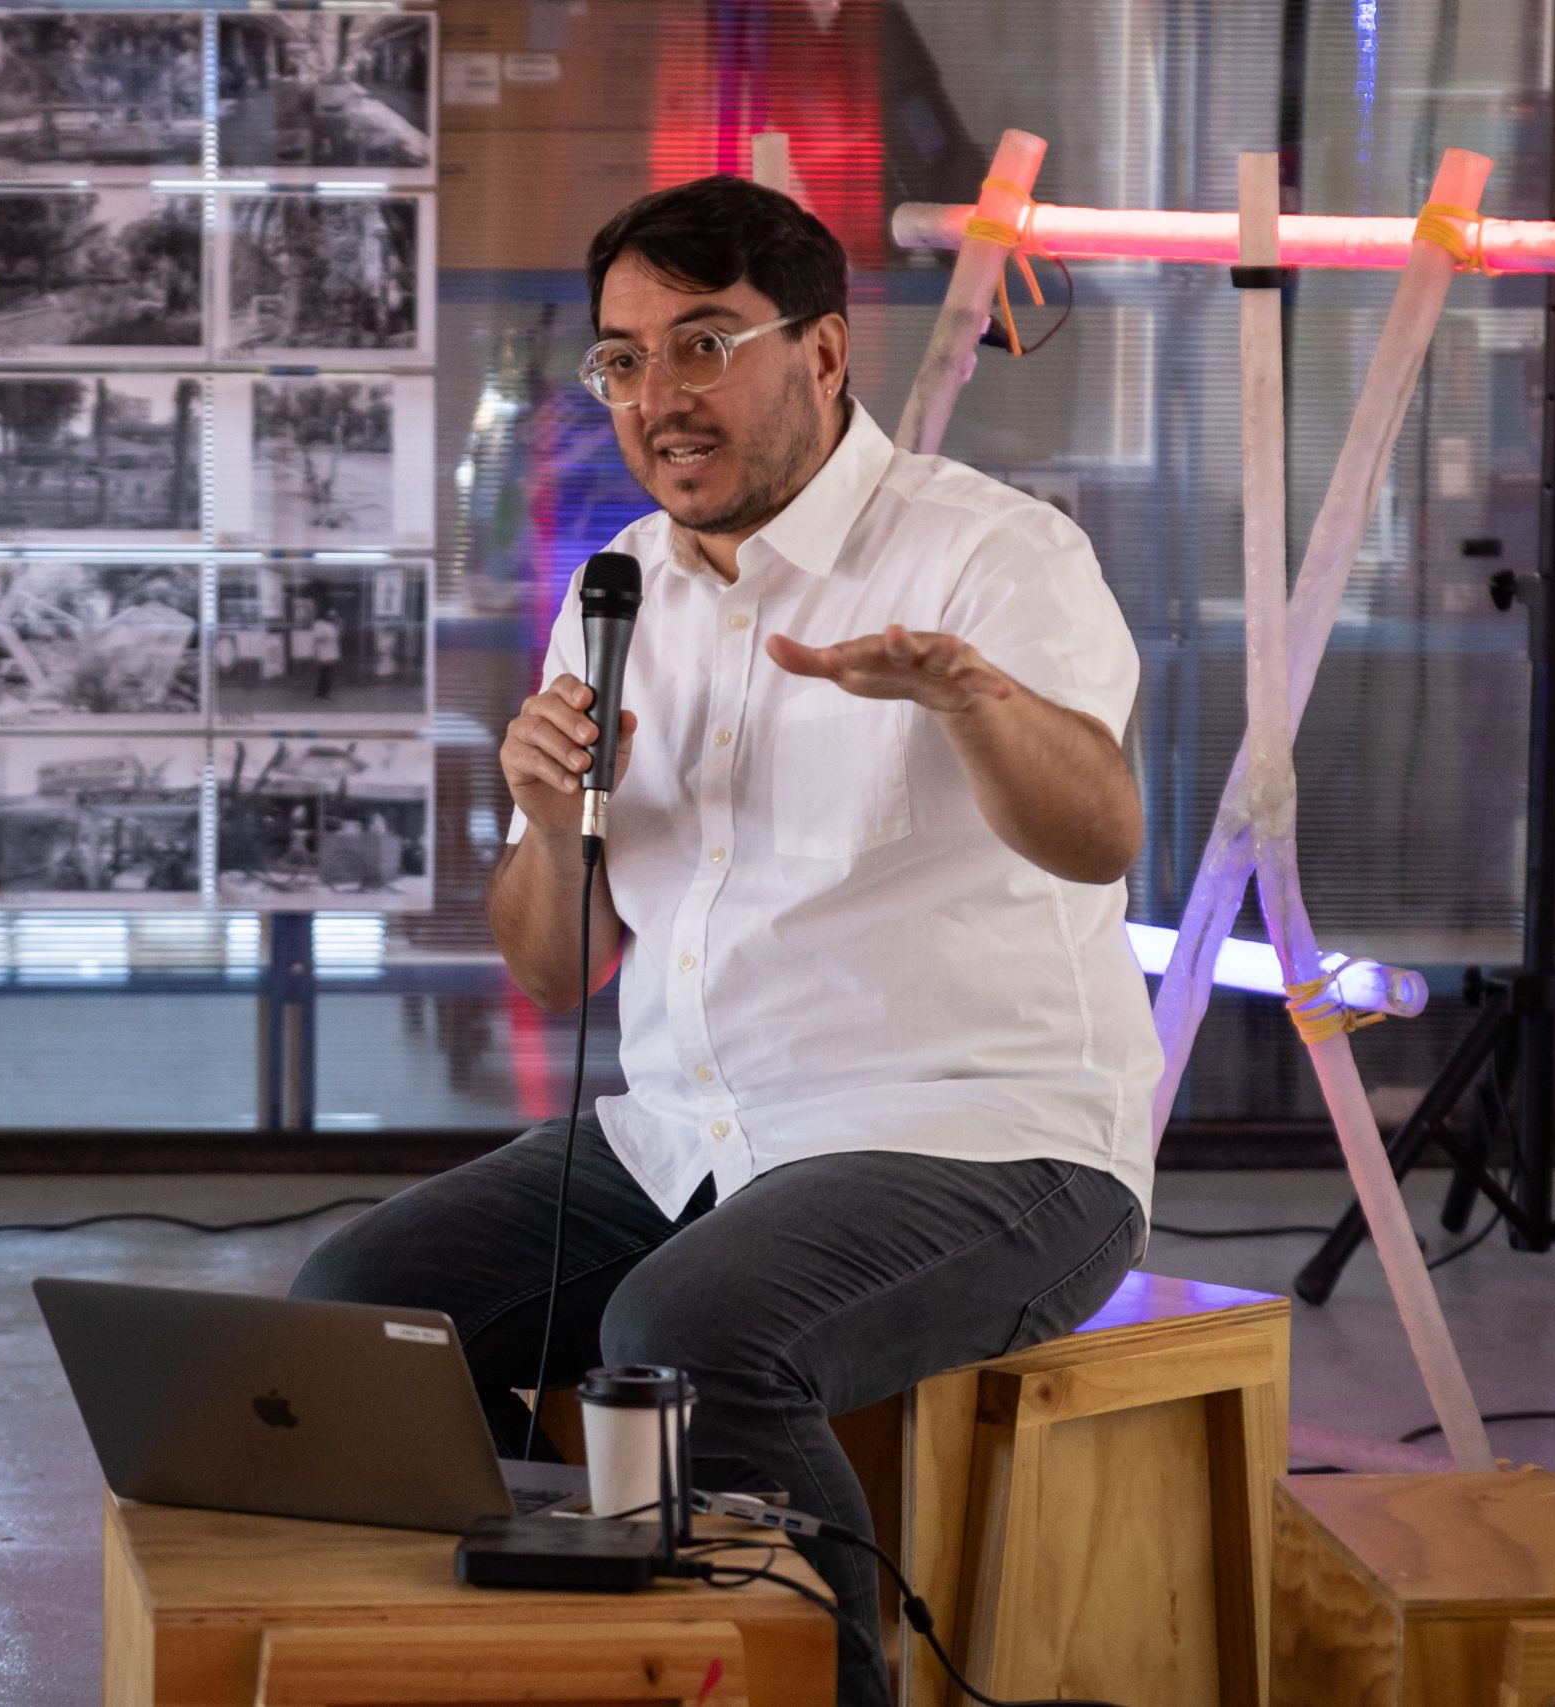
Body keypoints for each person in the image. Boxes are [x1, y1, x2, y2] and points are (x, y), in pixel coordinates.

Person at [291, 176, 1160, 1707]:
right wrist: (551, 823)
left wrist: (975, 702)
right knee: (363, 1306)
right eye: (622, 360)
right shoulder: (617, 591)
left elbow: (1099, 837)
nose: (657, 399)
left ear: (824, 353)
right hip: (688, 1132)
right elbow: (559, 968)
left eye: (704, 346)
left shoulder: (992, 558)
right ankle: (547, 1673)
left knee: (684, 1336)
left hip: (983, 1138)